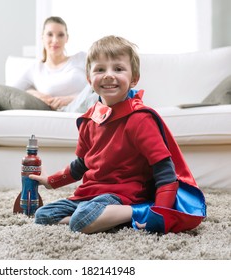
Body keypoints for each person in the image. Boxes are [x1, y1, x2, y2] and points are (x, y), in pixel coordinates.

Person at [30, 35, 206, 234]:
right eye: (100, 69)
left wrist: (161, 213)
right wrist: (51, 181)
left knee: (80, 221)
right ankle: (100, 218)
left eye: (118, 69)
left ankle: (140, 211)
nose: (108, 75)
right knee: (42, 215)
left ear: (134, 79)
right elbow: (81, 165)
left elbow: (165, 171)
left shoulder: (139, 119)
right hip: (89, 195)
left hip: (123, 195)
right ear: (89, 79)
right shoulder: (89, 120)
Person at [12, 16, 91, 111]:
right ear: (42, 38)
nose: (55, 40)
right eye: (50, 34)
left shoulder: (81, 58)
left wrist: (72, 99)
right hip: (63, 113)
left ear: (67, 38)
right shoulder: (35, 69)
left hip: (88, 106)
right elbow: (12, 92)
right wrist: (32, 93)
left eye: (60, 35)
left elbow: (99, 85)